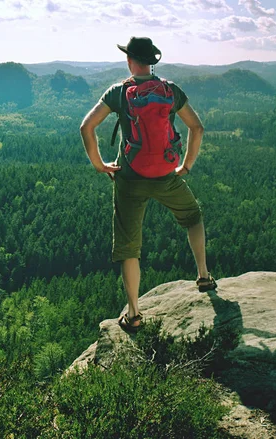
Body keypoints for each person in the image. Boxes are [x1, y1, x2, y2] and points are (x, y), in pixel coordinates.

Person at [79, 36, 217, 333]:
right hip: (167, 175)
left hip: (129, 179)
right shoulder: (169, 91)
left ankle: (134, 313)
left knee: (129, 247)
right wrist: (186, 166)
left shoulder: (118, 92)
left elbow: (86, 127)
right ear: (151, 61)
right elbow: (197, 127)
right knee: (192, 216)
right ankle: (204, 275)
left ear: (129, 60)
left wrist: (99, 164)